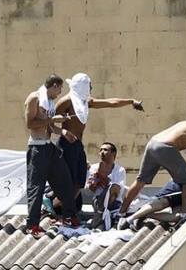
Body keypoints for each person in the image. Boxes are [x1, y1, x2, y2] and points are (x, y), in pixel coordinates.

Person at [45, 73, 143, 211]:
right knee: (69, 180)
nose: (91, 88)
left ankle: (62, 209)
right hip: (67, 144)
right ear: (82, 86)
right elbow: (48, 122)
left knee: (80, 181)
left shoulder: (86, 101)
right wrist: (59, 134)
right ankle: (50, 198)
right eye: (89, 85)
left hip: (78, 145)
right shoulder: (66, 101)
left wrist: (131, 101)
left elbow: (110, 102)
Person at [119, 110, 186, 219]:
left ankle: (121, 212)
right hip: (166, 148)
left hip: (152, 144)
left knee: (140, 181)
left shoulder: (185, 124)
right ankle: (184, 213)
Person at [23, 74, 80, 238]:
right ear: (54, 86)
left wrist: (62, 132)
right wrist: (52, 120)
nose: (60, 92)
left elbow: (49, 125)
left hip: (49, 147)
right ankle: (32, 225)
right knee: (36, 187)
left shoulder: (49, 102)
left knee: (64, 180)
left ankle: (70, 216)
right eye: (60, 88)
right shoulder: (34, 98)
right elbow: (31, 124)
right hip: (37, 148)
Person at [85, 141, 126, 230]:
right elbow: (87, 191)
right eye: (101, 150)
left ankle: (100, 217)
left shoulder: (120, 170)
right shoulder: (94, 168)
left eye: (105, 150)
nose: (102, 152)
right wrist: (92, 186)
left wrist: (105, 179)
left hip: (115, 203)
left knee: (114, 187)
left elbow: (119, 190)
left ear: (113, 154)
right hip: (98, 201)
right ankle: (103, 215)